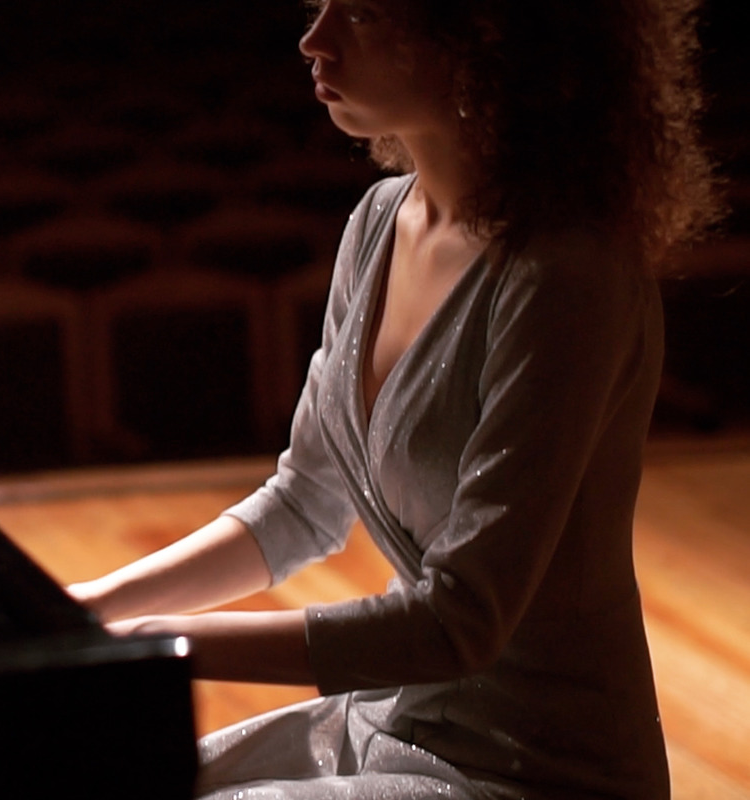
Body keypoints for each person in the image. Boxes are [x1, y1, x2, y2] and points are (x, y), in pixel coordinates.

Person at [67, 1, 723, 798]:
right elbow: (301, 505)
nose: (314, 41)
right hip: (389, 715)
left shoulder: (566, 274)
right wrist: (85, 609)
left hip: (536, 764)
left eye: (365, 12)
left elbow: (458, 625)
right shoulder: (379, 220)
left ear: (484, 36)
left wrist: (153, 646)